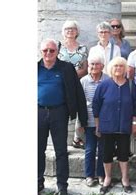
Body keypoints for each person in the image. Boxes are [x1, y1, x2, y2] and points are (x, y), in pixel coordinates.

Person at [38, 38, 88, 195]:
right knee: (37, 150)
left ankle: (62, 187)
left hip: (59, 112)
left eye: (52, 50)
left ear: (57, 52)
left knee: (61, 151)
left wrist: (83, 119)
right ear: (41, 52)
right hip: (38, 113)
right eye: (45, 50)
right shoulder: (35, 68)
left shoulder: (66, 68)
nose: (48, 54)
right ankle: (38, 182)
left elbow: (78, 93)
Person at [93, 57, 136, 195]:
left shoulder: (131, 86)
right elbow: (96, 106)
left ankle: (125, 179)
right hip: (107, 125)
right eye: (115, 66)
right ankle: (107, 178)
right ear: (111, 68)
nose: (118, 68)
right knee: (106, 154)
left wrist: (135, 123)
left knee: (123, 154)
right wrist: (97, 126)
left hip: (124, 126)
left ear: (125, 69)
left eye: (121, 66)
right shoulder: (104, 85)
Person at [78, 53, 109, 187]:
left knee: (103, 149)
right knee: (90, 149)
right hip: (89, 120)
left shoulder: (108, 80)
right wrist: (81, 122)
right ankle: (89, 175)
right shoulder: (83, 81)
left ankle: (101, 175)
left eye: (97, 64)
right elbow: (80, 102)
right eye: (91, 64)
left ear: (102, 66)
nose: (94, 67)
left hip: (104, 121)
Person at [57, 20, 89, 149]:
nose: (70, 31)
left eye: (72, 28)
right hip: (61, 84)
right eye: (67, 29)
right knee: (62, 111)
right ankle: (61, 140)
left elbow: (85, 68)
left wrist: (72, 77)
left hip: (78, 82)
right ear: (63, 32)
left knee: (80, 108)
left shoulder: (83, 48)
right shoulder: (58, 47)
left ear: (77, 32)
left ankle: (77, 137)